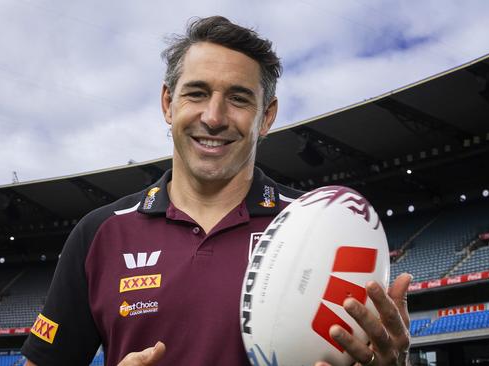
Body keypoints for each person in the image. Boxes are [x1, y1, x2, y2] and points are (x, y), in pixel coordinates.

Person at [21, 16, 412, 366]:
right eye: (196, 93)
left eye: (239, 99)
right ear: (168, 103)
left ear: (267, 116)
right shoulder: (100, 233)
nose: (214, 117)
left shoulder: (323, 226)